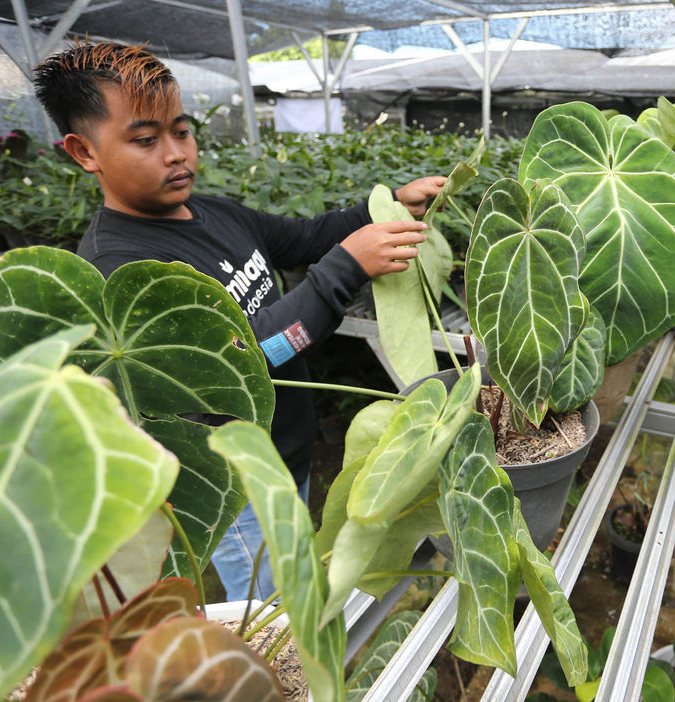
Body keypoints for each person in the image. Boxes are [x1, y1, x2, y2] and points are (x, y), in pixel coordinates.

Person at [33, 42, 445, 601]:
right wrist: (343, 270)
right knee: (274, 612)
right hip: (236, 488)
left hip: (287, 451)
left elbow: (301, 238)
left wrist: (387, 204)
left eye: (181, 131)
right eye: (146, 140)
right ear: (84, 152)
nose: (176, 154)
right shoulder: (118, 269)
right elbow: (229, 369)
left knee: (297, 583)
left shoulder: (213, 212)